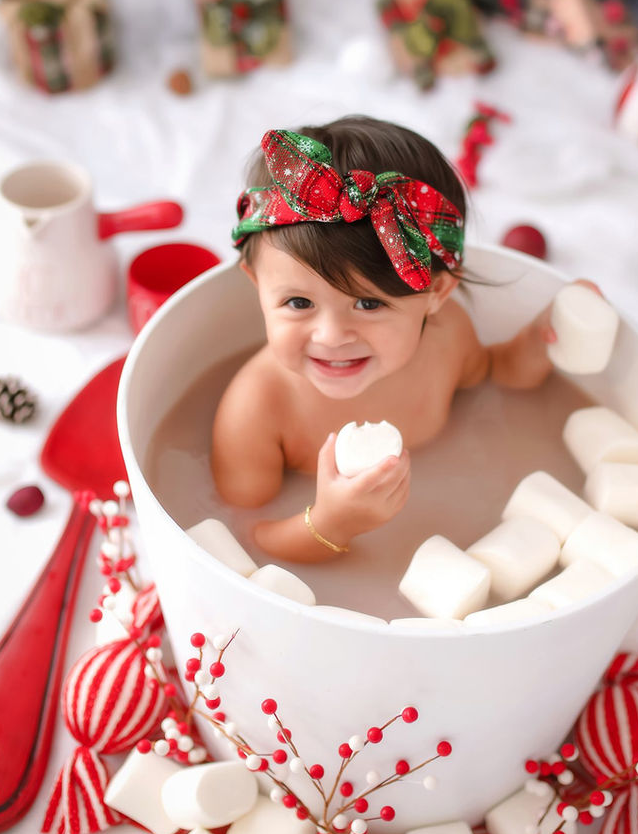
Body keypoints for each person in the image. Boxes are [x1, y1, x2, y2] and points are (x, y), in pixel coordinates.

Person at [212, 115, 572, 563]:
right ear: (256, 284)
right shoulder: (256, 411)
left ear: (436, 294)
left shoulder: (448, 338)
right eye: (299, 303)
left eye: (368, 304)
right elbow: (241, 537)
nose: (331, 337)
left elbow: (496, 371)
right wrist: (330, 523)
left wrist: (544, 341)